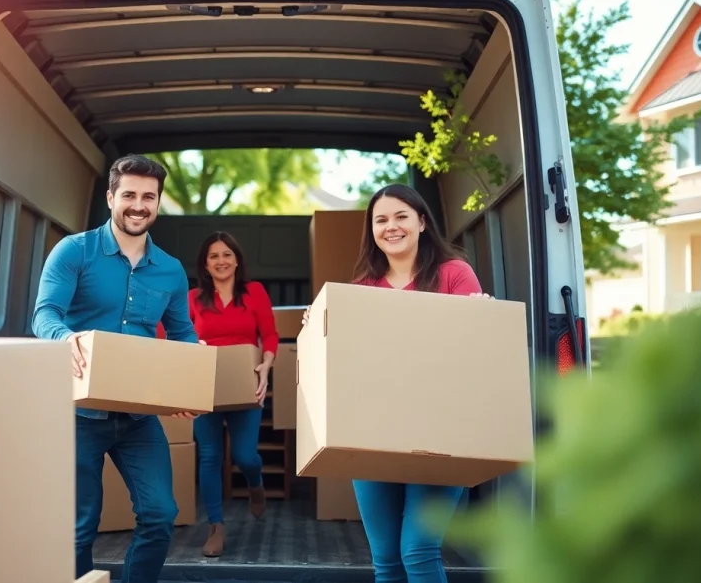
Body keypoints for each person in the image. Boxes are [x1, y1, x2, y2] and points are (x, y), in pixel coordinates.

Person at [302, 184, 491, 583]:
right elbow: (344, 365)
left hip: (442, 432)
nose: (391, 227)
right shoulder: (361, 291)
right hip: (375, 433)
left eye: (401, 216)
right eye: (381, 220)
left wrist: (479, 320)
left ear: (422, 222)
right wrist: (317, 329)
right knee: (386, 560)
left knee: (418, 551)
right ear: (371, 230)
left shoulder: (454, 274)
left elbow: (476, 358)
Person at [32, 154, 200, 583]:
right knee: (77, 528)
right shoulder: (75, 251)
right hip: (77, 414)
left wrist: (188, 384)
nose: (138, 205)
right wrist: (64, 338)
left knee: (161, 514)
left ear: (159, 203)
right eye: (129, 194)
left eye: (149, 196)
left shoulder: (171, 270)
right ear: (111, 197)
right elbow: (45, 314)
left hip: (139, 417)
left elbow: (182, 335)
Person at [186, 231, 279, 557]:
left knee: (245, 456)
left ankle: (255, 485)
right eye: (214, 256)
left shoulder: (254, 292)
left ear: (237, 259)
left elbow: (269, 335)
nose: (221, 261)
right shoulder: (194, 298)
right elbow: (179, 336)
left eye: (226, 254)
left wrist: (266, 367)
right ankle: (216, 527)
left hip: (245, 385)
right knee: (209, 456)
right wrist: (189, 346)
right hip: (205, 386)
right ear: (205, 264)